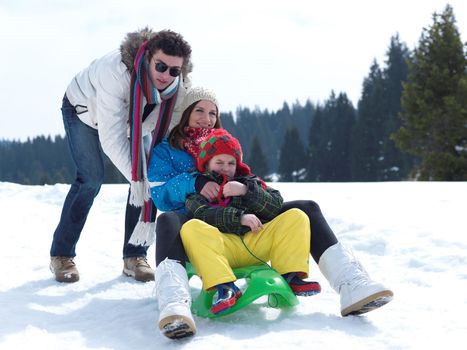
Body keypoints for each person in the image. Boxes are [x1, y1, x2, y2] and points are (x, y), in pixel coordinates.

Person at [148, 87, 393, 340]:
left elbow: (258, 187)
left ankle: (351, 284)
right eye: (199, 110)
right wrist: (195, 182)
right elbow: (159, 193)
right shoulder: (167, 149)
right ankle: (174, 304)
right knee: (168, 221)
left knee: (305, 209)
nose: (206, 118)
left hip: (243, 221)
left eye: (213, 112)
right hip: (196, 220)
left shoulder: (225, 143)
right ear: (186, 113)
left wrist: (245, 191)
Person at [49, 27, 192, 283]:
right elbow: (112, 138)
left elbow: (175, 131)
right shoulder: (115, 73)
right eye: (160, 66)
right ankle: (61, 255)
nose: (166, 75)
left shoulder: (178, 89)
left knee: (146, 176)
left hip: (138, 123)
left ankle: (134, 256)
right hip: (85, 113)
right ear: (148, 57)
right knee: (91, 179)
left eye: (174, 71)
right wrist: (143, 181)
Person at [180, 128, 322, 315]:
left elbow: (275, 205)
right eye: (219, 162)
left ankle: (290, 276)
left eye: (231, 163)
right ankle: (224, 287)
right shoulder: (200, 191)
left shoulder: (249, 182)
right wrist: (239, 218)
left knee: (296, 216)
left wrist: (246, 191)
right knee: (191, 227)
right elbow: (202, 214)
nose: (225, 167)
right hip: (223, 249)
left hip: (256, 242)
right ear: (206, 164)